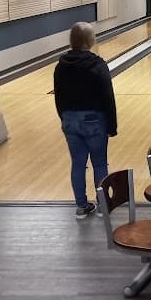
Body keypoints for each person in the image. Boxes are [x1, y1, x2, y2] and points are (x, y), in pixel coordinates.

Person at [54, 22, 117, 219]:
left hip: (70, 121)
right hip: (94, 120)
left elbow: (58, 96)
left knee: (78, 164)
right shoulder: (97, 64)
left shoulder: (61, 66)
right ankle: (102, 206)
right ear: (90, 40)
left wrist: (64, 118)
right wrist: (112, 125)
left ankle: (81, 206)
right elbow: (108, 96)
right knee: (99, 164)